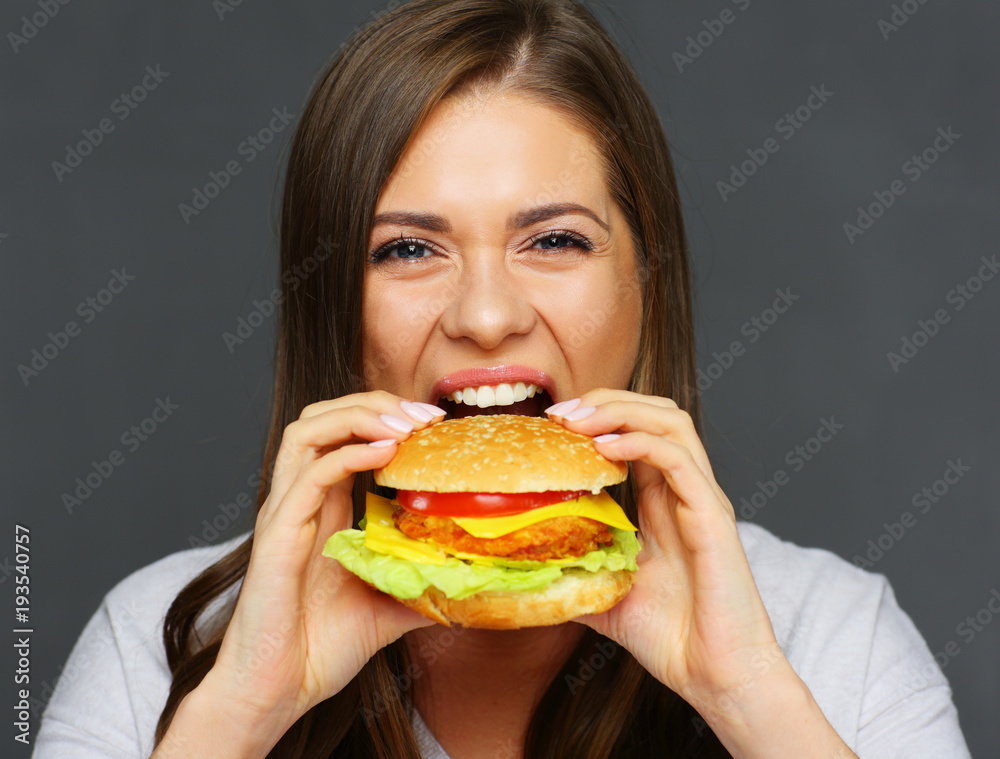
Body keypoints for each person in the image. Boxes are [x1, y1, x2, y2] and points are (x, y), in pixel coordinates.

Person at [34, 1, 971, 757]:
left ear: (648, 278)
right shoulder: (159, 644)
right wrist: (240, 711)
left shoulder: (834, 639)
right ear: (330, 301)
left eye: (554, 239)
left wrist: (746, 696)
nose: (486, 314)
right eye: (406, 248)